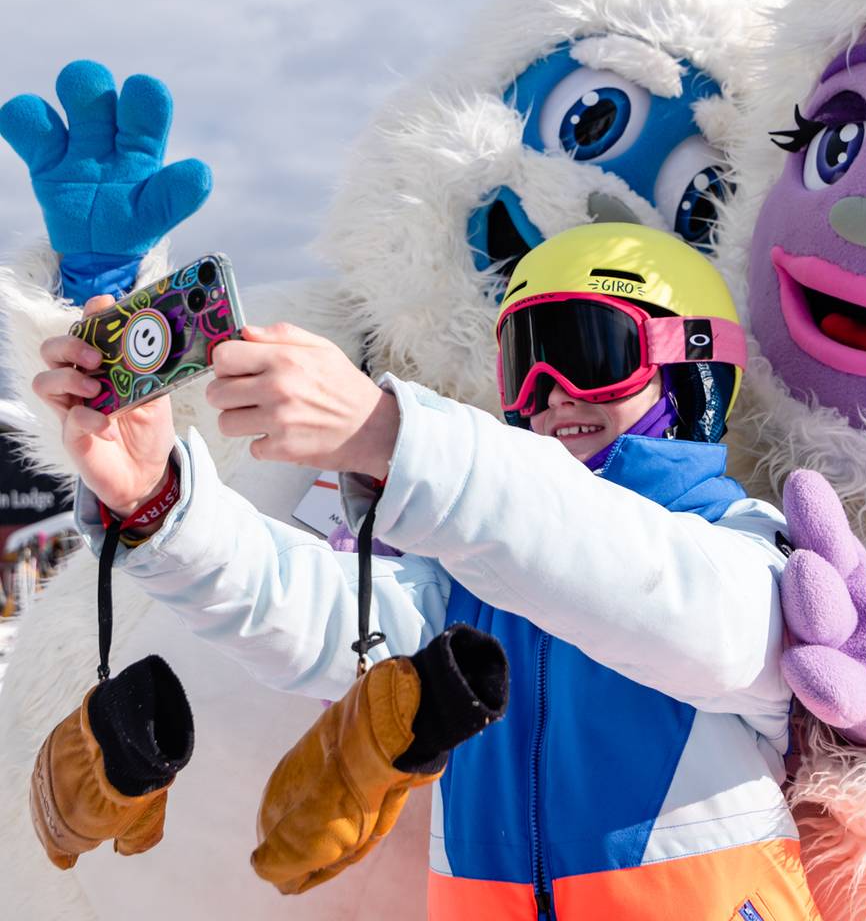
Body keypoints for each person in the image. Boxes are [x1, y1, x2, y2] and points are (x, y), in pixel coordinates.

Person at [34, 221, 822, 919]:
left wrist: (390, 435)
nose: (550, 395)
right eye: (527, 362)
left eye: (588, 352)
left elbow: (649, 590)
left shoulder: (747, 555)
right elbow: (309, 611)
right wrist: (155, 499)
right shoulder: (478, 588)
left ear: (692, 371)